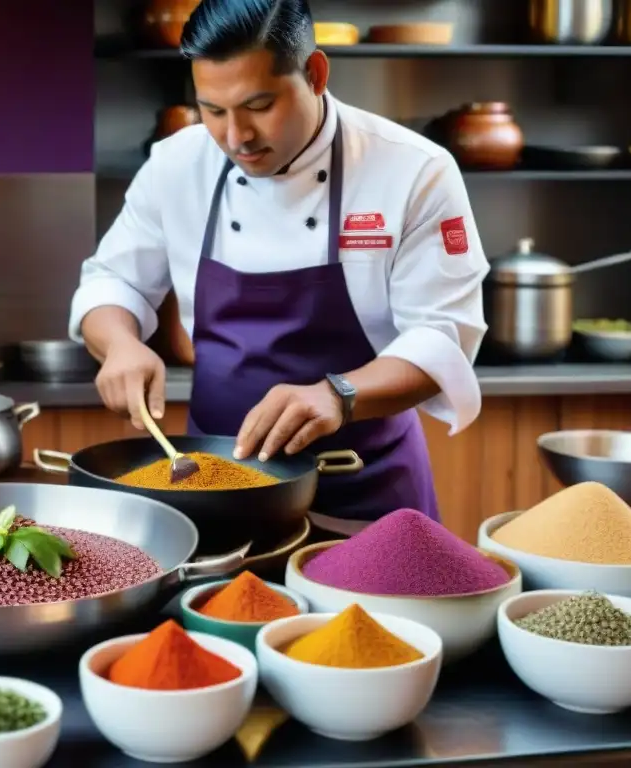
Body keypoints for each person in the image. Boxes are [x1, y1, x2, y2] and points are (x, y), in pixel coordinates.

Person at [68, 0, 489, 523]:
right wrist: (120, 345)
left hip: (365, 490)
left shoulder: (413, 170)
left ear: (314, 73)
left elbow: (442, 336)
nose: (236, 137)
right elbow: (113, 281)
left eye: (259, 105)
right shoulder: (177, 163)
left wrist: (339, 395)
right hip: (214, 487)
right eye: (213, 110)